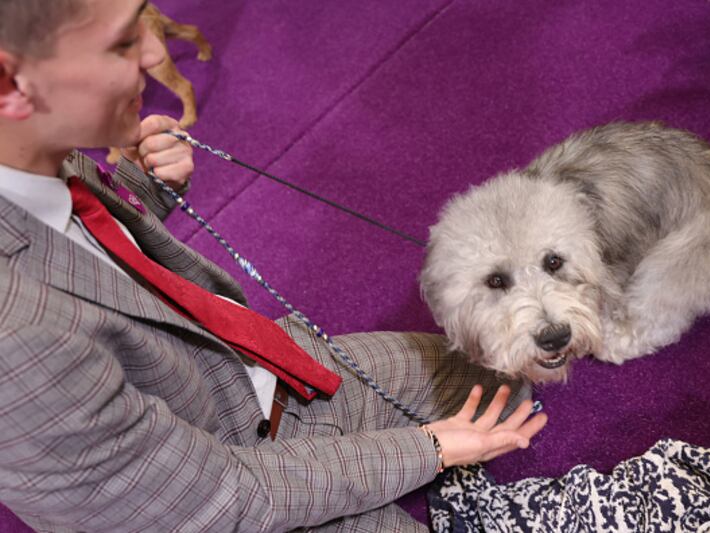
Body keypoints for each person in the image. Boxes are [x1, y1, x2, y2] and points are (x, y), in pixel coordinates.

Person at [0, 0, 547, 531]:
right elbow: (217, 502)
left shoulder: (27, 145)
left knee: (502, 387)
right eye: (122, 42)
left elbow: (87, 255)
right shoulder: (19, 346)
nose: (153, 53)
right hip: (220, 490)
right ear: (11, 84)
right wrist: (428, 449)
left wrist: (144, 190)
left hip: (258, 385)